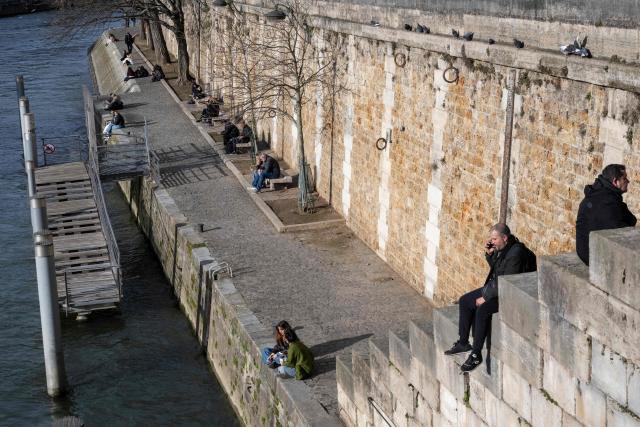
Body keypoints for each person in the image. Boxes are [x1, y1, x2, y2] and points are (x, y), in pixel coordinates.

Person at [444, 223, 536, 372]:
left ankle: (476, 354)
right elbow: (498, 270)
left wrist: (485, 298)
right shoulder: (505, 248)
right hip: (496, 288)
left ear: (504, 237)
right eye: (491, 239)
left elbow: (506, 281)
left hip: (510, 294)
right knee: (465, 301)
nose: (491, 241)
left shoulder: (516, 253)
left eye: (494, 239)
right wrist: (490, 254)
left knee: (482, 310)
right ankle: (463, 342)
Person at [576, 164, 636, 265]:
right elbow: (626, 228)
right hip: (594, 258)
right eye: (624, 178)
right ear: (615, 181)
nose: (628, 181)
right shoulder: (608, 203)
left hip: (585, 253)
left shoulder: (597, 193)